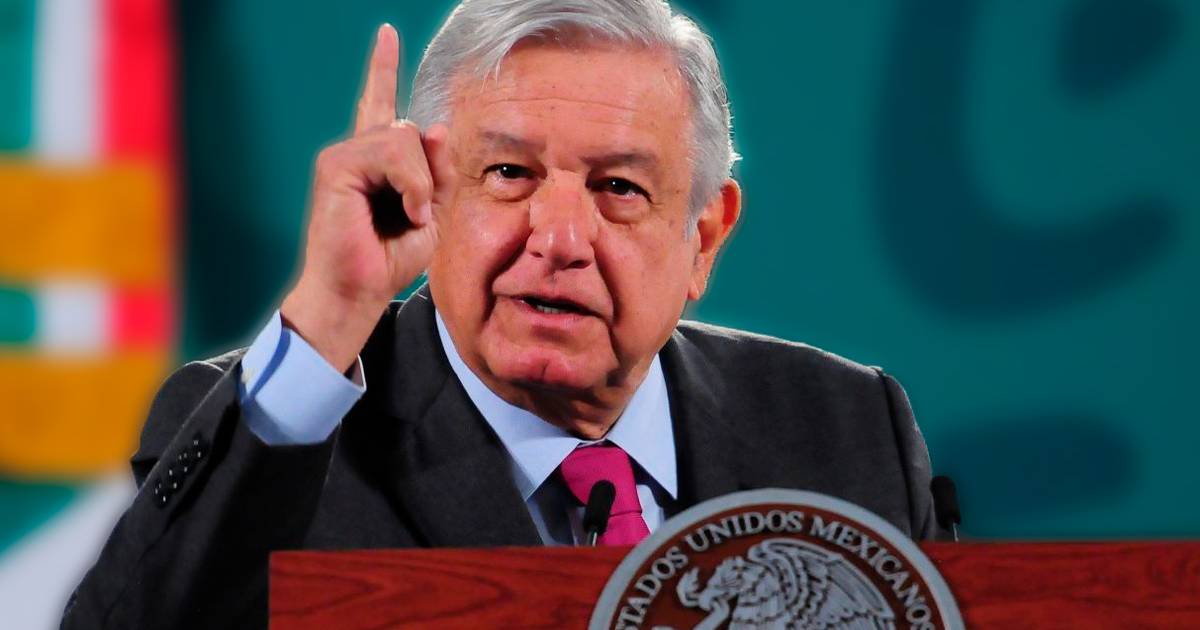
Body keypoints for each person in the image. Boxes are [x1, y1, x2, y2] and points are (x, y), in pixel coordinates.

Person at [62, 0, 944, 627]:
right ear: (426, 193)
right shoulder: (278, 432)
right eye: (509, 174)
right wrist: (330, 313)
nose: (558, 239)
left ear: (704, 237)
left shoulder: (847, 431)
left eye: (619, 187)